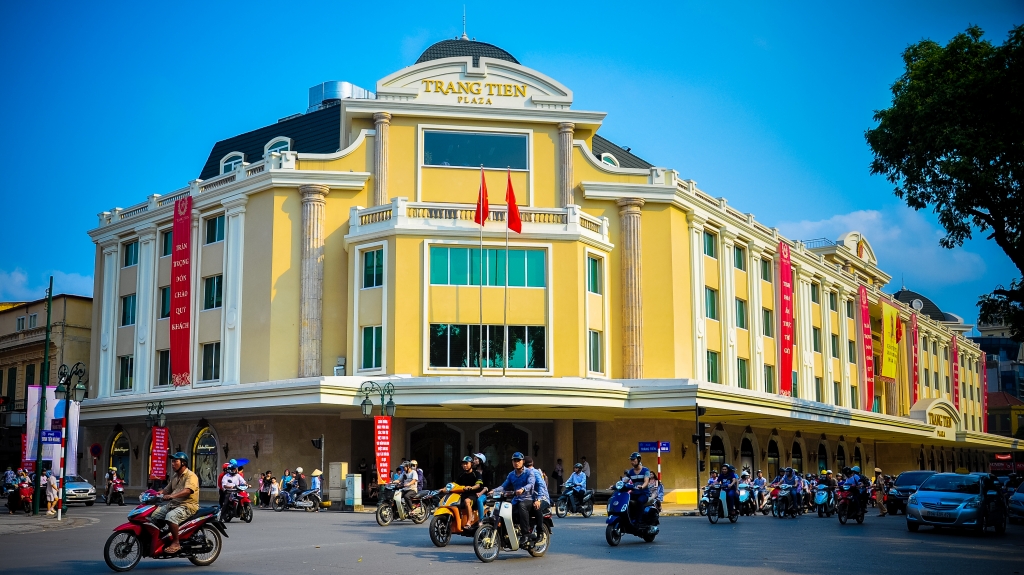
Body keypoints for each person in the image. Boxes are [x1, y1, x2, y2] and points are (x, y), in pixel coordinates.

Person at [152, 452, 199, 554]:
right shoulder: (175, 476)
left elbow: (188, 490)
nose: (172, 464)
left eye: (175, 461)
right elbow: (166, 490)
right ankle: (162, 538)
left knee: (170, 517)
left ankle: (176, 542)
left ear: (183, 463)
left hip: (187, 505)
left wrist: (172, 496)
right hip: (173, 505)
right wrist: (154, 494)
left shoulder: (191, 476)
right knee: (153, 515)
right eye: (172, 461)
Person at [496, 452, 535, 547]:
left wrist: (523, 489)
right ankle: (506, 536)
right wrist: (494, 490)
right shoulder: (511, 475)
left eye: (518, 461)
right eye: (514, 461)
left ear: (523, 462)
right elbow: (504, 486)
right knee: (504, 512)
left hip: (528, 499)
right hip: (516, 500)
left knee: (522, 505)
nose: (516, 463)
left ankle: (525, 534)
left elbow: (531, 484)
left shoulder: (529, 472)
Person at [451, 456, 484, 526]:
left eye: (466, 463)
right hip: (462, 494)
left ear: (471, 464)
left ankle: (469, 521)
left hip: (473, 495)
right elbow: (455, 484)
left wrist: (471, 488)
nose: (464, 465)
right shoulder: (461, 475)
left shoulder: (476, 474)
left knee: (467, 501)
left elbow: (478, 485)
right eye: (463, 464)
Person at [524, 456, 550, 533]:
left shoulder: (534, 472)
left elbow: (541, 486)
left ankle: (540, 531)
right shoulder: (522, 473)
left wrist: (538, 500)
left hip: (542, 498)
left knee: (536, 507)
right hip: (530, 498)